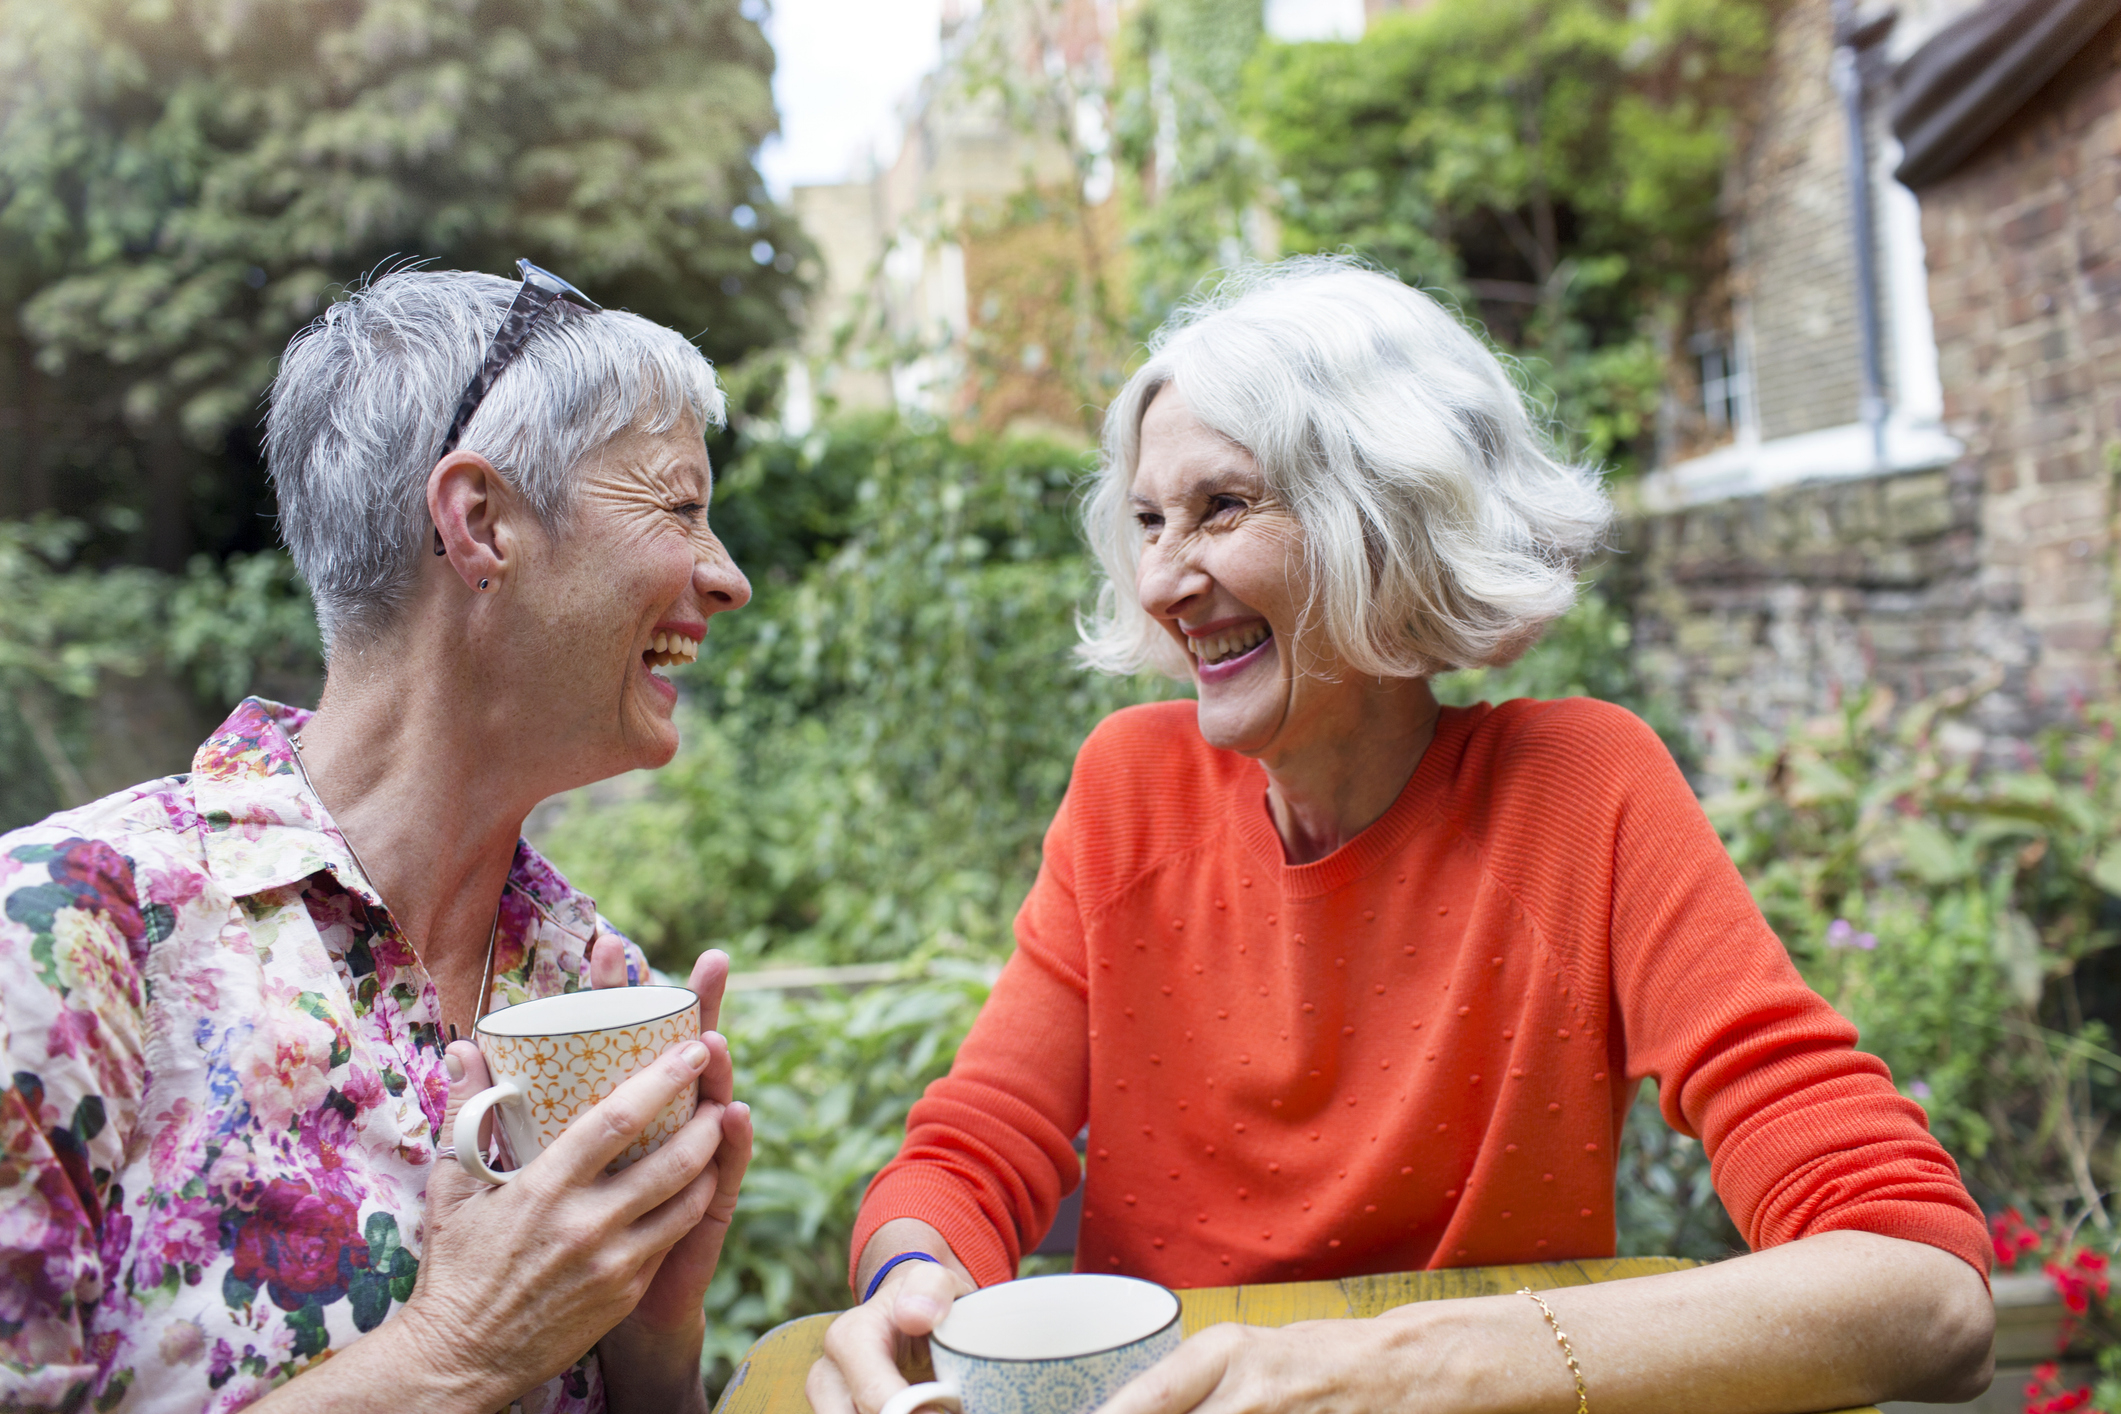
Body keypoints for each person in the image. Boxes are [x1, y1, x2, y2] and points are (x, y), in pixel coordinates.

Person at [808, 258, 1996, 1414]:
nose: (1165, 578)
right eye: (1149, 521)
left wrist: (1399, 1368)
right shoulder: (1129, 790)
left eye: (1223, 507)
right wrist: (913, 1286)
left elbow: (1928, 1292)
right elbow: (970, 1149)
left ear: (1386, 516)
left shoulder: (1581, 791)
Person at [0, 264, 756, 1413]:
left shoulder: (583, 979)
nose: (729, 576)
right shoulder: (65, 935)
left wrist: (654, 1343)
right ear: (482, 522)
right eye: (678, 505)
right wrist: (455, 1354)